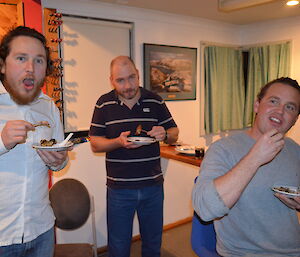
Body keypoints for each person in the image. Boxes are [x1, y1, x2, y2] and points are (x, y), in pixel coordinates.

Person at [192, 77, 300, 256]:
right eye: (273, 101)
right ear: (257, 105)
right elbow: (205, 209)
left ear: (295, 119)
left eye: (290, 107)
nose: (280, 111)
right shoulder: (223, 149)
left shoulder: (295, 150)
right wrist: (255, 157)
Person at [89, 56, 179, 257]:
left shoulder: (155, 100)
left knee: (152, 244)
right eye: (120, 80)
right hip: (119, 189)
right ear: (111, 80)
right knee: (119, 247)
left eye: (132, 78)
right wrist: (117, 142)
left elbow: (174, 132)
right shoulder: (103, 104)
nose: (128, 85)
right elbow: (95, 143)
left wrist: (165, 134)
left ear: (138, 74)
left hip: (153, 186)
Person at [0, 26, 69, 257]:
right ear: (3, 64)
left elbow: (59, 160)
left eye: (39, 61)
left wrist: (58, 160)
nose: (30, 68)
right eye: (21, 58)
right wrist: (1, 141)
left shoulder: (49, 106)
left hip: (42, 230)